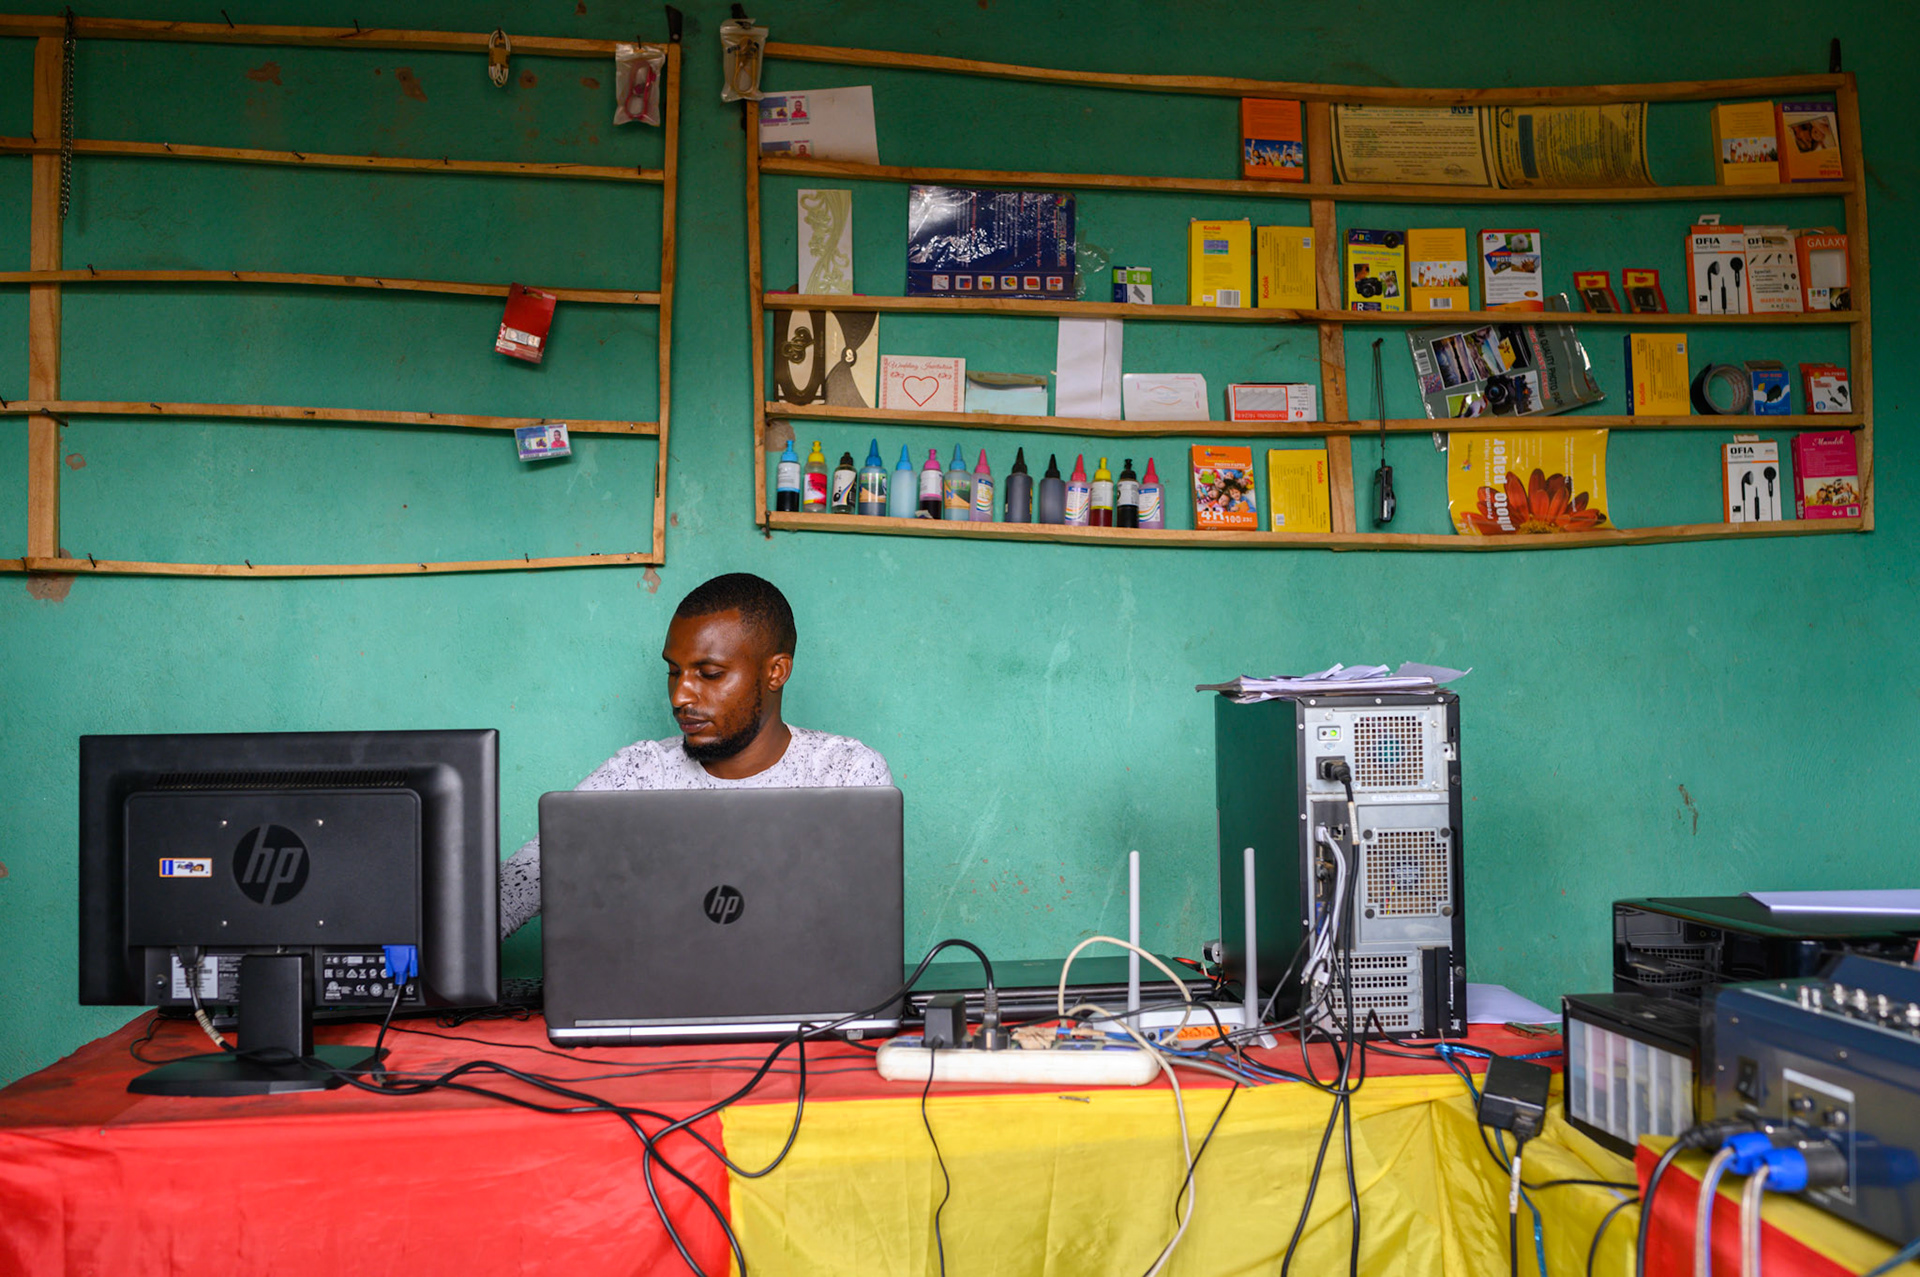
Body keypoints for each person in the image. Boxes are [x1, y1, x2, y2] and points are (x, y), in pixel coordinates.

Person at [498, 572, 891, 937]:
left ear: (776, 672)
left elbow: (862, 930)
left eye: (710, 673)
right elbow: (520, 883)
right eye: (674, 671)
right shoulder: (640, 772)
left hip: (813, 1007)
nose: (681, 696)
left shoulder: (844, 773)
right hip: (655, 1001)